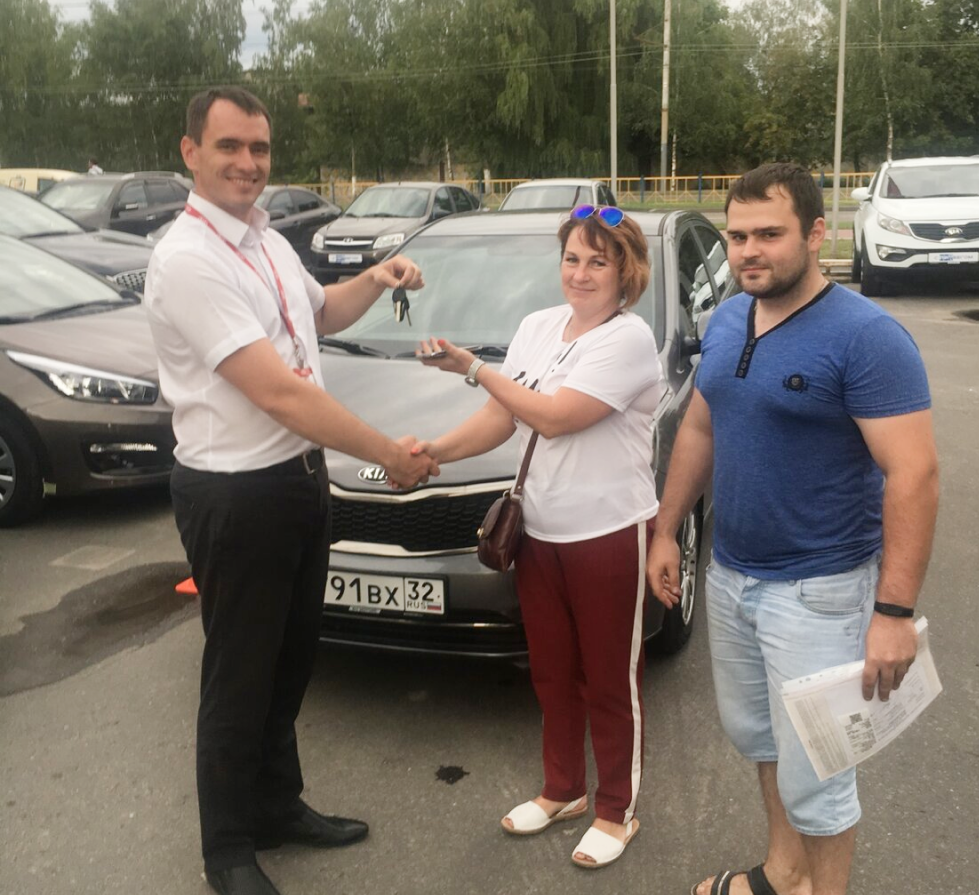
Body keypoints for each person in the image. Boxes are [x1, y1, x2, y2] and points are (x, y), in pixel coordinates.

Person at [143, 86, 438, 895]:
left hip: (299, 480)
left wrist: (376, 275)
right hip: (235, 493)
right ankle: (227, 850)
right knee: (239, 675)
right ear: (191, 152)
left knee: (289, 663)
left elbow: (323, 313)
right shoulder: (189, 259)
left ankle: (277, 806)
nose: (248, 163)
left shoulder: (267, 241)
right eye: (230, 146)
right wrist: (387, 455)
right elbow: (278, 392)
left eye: (260, 148)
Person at [646, 163, 939, 895]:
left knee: (821, 773)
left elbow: (914, 475)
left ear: (815, 234)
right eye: (738, 235)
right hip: (731, 576)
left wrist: (893, 613)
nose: (749, 251)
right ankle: (783, 873)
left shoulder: (867, 338)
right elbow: (702, 427)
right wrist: (666, 529)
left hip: (821, 592)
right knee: (762, 739)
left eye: (769, 234)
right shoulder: (727, 321)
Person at [409, 205, 666, 869]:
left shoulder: (629, 339)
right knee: (552, 673)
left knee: (610, 679)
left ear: (626, 272)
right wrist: (435, 454)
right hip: (539, 531)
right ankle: (563, 789)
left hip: (608, 532)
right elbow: (502, 417)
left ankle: (616, 808)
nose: (580, 274)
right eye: (571, 259)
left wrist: (472, 366)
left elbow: (553, 418)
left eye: (597, 262)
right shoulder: (537, 327)